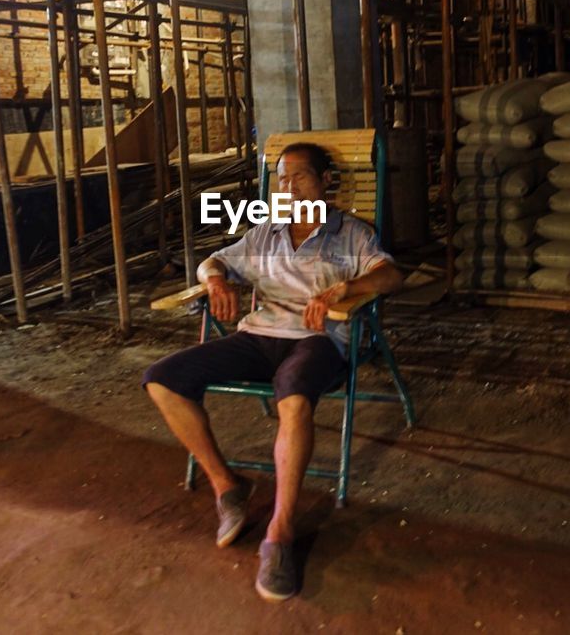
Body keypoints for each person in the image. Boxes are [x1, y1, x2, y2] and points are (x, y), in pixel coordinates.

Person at [143, 142, 404, 602]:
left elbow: (390, 275)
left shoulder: (352, 234)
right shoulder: (265, 233)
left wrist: (348, 286)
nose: (288, 187)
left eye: (299, 177)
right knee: (163, 377)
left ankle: (280, 533)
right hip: (258, 337)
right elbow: (213, 260)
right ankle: (227, 486)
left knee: (295, 397)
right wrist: (216, 280)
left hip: (317, 342)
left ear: (326, 182)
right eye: (281, 179)